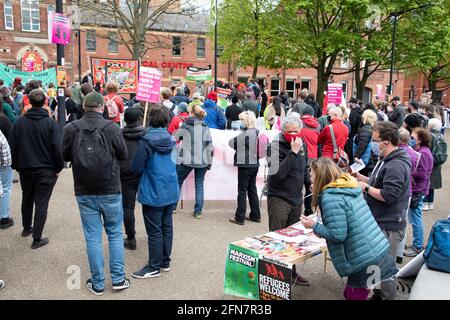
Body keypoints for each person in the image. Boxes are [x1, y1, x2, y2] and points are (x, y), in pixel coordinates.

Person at [61, 91, 129, 295]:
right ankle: (118, 279)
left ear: (84, 106)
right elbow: (123, 155)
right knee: (115, 233)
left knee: (92, 237)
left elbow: (64, 155)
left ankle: (98, 283)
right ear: (102, 107)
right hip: (110, 187)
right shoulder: (112, 128)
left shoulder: (71, 128)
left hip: (84, 188)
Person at [301, 158, 397, 300]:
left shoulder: (330, 197)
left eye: (311, 174)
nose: (310, 177)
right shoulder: (346, 186)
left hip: (364, 256)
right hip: (375, 248)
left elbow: (338, 235)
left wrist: (313, 225)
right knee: (355, 293)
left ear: (319, 175)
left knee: (353, 295)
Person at [354, 121, 411, 300]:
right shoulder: (386, 159)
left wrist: (365, 187)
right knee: (379, 264)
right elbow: (378, 180)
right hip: (381, 221)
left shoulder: (396, 165)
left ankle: (387, 296)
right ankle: (379, 293)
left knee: (387, 267)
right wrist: (362, 177)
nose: (372, 144)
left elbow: (389, 195)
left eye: (374, 140)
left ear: (386, 142)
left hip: (390, 225)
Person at [9, 89, 64, 249]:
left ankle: (27, 228)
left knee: (27, 198)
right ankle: (37, 238)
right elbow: (57, 148)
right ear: (45, 102)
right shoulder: (51, 124)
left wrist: (16, 166)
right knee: (41, 202)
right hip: (45, 169)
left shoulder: (19, 122)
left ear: (29, 102)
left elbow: (13, 146)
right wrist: (58, 167)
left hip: (27, 167)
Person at [131, 104, 179, 279]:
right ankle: (164, 261)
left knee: (155, 230)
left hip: (153, 189)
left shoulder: (146, 142)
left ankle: (154, 266)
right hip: (170, 188)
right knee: (166, 226)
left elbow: (136, 167)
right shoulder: (172, 140)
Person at [266, 115, 311, 286]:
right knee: (277, 239)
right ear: (283, 131)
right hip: (279, 198)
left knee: (293, 239)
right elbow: (277, 175)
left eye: (296, 131)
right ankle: (275, 277)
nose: (293, 134)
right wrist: (292, 152)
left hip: (296, 198)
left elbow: (304, 167)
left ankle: (291, 272)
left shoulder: (302, 144)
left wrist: (309, 182)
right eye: (289, 131)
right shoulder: (274, 147)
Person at [174, 104, 213, 219]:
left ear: (191, 113)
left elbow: (177, 137)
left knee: (178, 181)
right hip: (202, 159)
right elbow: (209, 146)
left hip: (187, 159)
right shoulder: (205, 127)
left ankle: (173, 207)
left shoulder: (186, 125)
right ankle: (198, 211)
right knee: (199, 184)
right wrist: (209, 162)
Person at [119, 108, 147, 250]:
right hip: (143, 174)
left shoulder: (119, 135)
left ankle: (131, 238)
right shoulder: (146, 134)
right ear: (138, 119)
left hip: (125, 175)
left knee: (128, 208)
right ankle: (152, 234)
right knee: (148, 206)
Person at [403, 128, 433, 257]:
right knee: (414, 216)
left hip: (418, 189)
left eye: (413, 137)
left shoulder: (424, 153)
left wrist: (407, 169)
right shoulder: (420, 151)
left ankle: (418, 246)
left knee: (415, 218)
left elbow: (422, 174)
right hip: (418, 188)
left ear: (420, 139)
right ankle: (417, 243)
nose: (411, 140)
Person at [228, 111, 261, 225]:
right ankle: (255, 215)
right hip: (254, 164)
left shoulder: (245, 134)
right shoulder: (256, 132)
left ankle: (240, 217)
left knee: (242, 190)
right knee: (252, 189)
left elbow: (231, 143)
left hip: (245, 164)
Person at [298, 105, 319, 216]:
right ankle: (308, 210)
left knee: (299, 183)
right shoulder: (318, 125)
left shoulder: (299, 124)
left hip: (301, 155)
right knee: (310, 185)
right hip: (313, 157)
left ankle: (297, 209)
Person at [424, 118, 446, 211]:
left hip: (429, 162)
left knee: (425, 182)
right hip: (437, 163)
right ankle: (430, 203)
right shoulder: (441, 136)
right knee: (432, 184)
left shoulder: (429, 136)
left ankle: (424, 203)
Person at [353, 110, 377, 176]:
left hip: (366, 161)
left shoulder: (366, 129)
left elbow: (362, 144)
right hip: (371, 160)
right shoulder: (373, 128)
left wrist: (356, 156)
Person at [0, 131, 13, 229]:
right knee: (5, 188)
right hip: (2, 164)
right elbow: (4, 147)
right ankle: (4, 218)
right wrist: (7, 164)